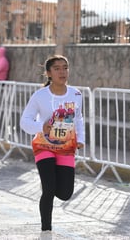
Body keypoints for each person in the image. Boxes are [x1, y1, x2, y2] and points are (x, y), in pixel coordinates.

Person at [20, 55, 85, 234]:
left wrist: (80, 139)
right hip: (44, 146)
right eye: (57, 68)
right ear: (48, 73)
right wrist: (42, 126)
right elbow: (24, 121)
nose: (62, 72)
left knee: (65, 193)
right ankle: (46, 231)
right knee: (49, 188)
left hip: (66, 148)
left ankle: (52, 180)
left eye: (65, 67)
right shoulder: (40, 96)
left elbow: (78, 118)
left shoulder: (76, 93)